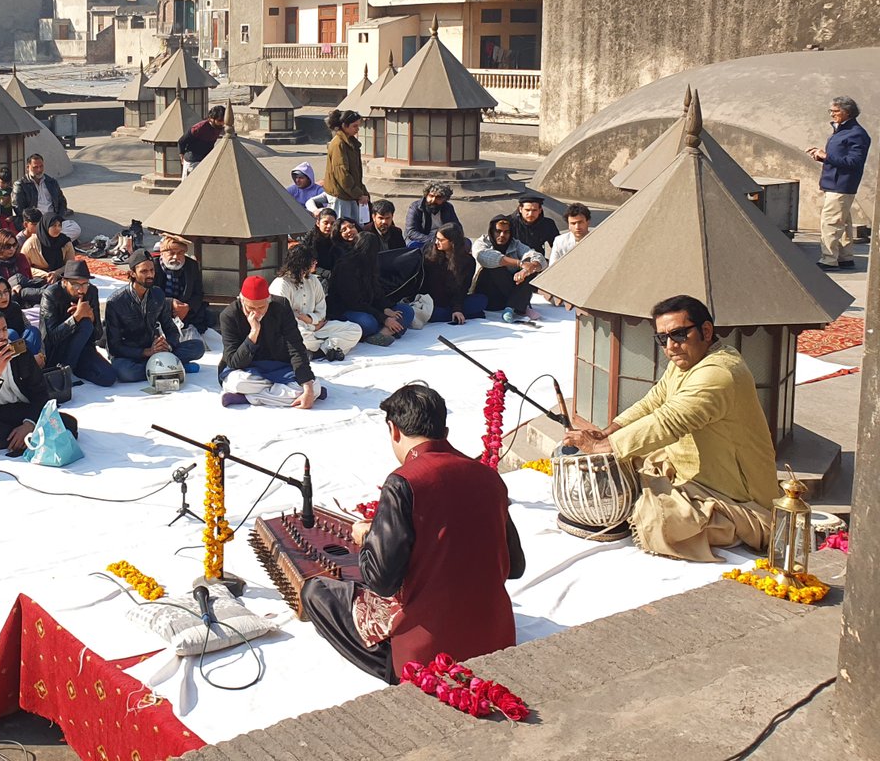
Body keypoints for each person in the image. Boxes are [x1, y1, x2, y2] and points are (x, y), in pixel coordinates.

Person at [301, 384, 525, 683]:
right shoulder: (489, 477)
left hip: (428, 656)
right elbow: (516, 566)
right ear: (444, 430)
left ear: (394, 430)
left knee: (316, 592)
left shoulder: (404, 481)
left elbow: (381, 581)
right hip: (496, 637)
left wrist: (367, 538)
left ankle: (394, 669)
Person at [564, 295, 779, 561]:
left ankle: (732, 527)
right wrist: (609, 432)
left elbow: (668, 421)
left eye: (678, 334)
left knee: (655, 520)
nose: (670, 346)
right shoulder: (687, 360)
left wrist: (600, 446)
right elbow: (654, 401)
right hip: (686, 472)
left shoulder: (719, 373)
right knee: (631, 464)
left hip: (734, 496)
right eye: (662, 338)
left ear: (706, 331)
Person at [0, 306, 79, 458]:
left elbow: (40, 393)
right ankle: (23, 439)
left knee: (70, 424)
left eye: (4, 329)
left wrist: (29, 424)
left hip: (23, 409)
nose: (2, 336)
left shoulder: (20, 351)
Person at [218, 275, 322, 408]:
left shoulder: (281, 306)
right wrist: (254, 333)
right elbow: (234, 362)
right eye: (251, 308)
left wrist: (307, 387)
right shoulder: (229, 315)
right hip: (246, 369)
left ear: (269, 301)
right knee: (236, 383)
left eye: (261, 307)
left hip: (277, 365)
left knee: (313, 387)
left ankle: (248, 398)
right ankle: (286, 393)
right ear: (242, 301)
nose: (256, 313)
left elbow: (295, 346)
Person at [105, 249, 206, 380]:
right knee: (126, 372)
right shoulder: (115, 302)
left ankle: (161, 366)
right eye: (144, 271)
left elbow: (171, 329)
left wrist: (167, 345)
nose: (150, 275)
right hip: (131, 354)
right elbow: (114, 346)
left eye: (152, 270)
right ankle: (169, 367)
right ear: (132, 274)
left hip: (155, 350)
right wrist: (145, 352)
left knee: (198, 347)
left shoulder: (157, 294)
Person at [807, 95, 871, 269]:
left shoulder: (856, 134)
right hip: (835, 183)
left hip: (841, 184)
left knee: (830, 222)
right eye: (831, 111)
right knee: (843, 222)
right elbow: (839, 158)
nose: (832, 114)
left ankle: (828, 259)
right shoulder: (841, 131)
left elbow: (854, 162)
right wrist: (821, 156)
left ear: (847, 112)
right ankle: (845, 257)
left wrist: (826, 156)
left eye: (835, 111)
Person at [269, 243, 362, 360]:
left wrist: (311, 320)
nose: (316, 263)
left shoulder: (313, 280)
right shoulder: (281, 284)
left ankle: (320, 350)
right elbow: (282, 318)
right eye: (313, 261)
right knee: (301, 337)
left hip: (317, 326)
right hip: (297, 329)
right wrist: (306, 322)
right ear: (303, 263)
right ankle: (328, 348)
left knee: (355, 329)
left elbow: (321, 310)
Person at [326, 218, 411, 346]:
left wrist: (385, 308)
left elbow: (376, 291)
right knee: (369, 323)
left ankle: (382, 334)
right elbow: (354, 302)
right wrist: (383, 317)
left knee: (407, 311)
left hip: (370, 307)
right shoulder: (345, 266)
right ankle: (386, 329)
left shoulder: (371, 263)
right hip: (348, 308)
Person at [40, 258, 113, 387]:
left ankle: (74, 368)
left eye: (85, 284)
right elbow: (51, 338)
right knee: (84, 324)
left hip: (82, 347)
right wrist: (76, 318)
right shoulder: (51, 294)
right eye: (76, 285)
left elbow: (97, 335)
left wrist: (92, 318)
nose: (81, 290)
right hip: (57, 351)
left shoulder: (91, 291)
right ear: (64, 282)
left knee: (108, 377)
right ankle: (65, 370)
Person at [473, 215, 545, 323]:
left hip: (507, 293)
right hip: (489, 295)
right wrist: (519, 263)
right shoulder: (482, 242)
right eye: (498, 231)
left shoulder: (515, 244)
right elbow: (485, 257)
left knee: (531, 270)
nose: (502, 235)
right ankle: (521, 306)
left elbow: (537, 257)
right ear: (492, 231)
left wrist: (528, 269)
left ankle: (511, 307)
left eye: (506, 232)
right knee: (495, 266)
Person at [418, 224, 487, 325]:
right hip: (431, 301)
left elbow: (463, 289)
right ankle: (455, 315)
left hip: (453, 300)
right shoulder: (430, 255)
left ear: (452, 242)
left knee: (481, 300)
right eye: (436, 239)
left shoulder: (467, 261)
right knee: (433, 313)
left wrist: (457, 309)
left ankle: (451, 314)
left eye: (441, 240)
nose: (436, 242)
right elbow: (428, 285)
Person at [153, 234, 212, 333]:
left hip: (185, 313)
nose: (176, 257)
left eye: (180, 253)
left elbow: (198, 293)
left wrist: (187, 307)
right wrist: (170, 303)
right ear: (162, 253)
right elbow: (148, 295)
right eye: (171, 253)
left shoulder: (191, 266)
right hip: (158, 311)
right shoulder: (152, 267)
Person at [13, 154, 79, 240]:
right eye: (35, 167)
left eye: (41, 166)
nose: (39, 170)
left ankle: (49, 239)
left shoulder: (51, 182)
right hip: (36, 222)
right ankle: (54, 239)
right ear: (28, 167)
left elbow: (62, 201)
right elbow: (18, 208)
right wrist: (34, 221)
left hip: (52, 220)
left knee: (75, 228)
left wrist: (58, 218)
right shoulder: (20, 185)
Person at [324, 110, 370, 223]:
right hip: (341, 195)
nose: (357, 129)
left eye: (358, 126)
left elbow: (355, 173)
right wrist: (359, 194)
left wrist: (362, 192)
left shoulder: (350, 142)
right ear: (344, 126)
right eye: (354, 126)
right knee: (342, 227)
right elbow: (342, 174)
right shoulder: (338, 144)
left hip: (350, 194)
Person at [0, 229, 41, 304]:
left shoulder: (21, 259)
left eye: (14, 245)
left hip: (23, 302)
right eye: (7, 246)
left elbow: (30, 282)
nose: (12, 249)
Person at [404, 182, 461, 247]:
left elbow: (456, 227)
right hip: (423, 240)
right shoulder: (416, 207)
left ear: (444, 199)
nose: (433, 200)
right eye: (431, 196)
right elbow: (411, 232)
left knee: (466, 243)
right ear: (426, 195)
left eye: (438, 197)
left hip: (443, 240)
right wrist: (434, 240)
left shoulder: (448, 207)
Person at [21, 211, 75, 280]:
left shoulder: (65, 242)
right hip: (39, 278)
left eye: (59, 225)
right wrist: (45, 274)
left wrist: (57, 273)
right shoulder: (31, 244)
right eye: (54, 226)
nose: (57, 229)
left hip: (62, 276)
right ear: (46, 226)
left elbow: (70, 264)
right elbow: (23, 267)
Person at [178, 106, 226, 173]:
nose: (222, 123)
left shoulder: (219, 127)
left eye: (224, 120)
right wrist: (181, 155)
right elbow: (182, 141)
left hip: (205, 160)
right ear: (211, 119)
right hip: (192, 161)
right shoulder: (199, 128)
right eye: (220, 120)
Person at [304, 205, 342, 275]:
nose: (329, 226)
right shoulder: (310, 240)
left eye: (332, 223)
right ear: (318, 223)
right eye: (325, 223)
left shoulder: (336, 238)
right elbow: (308, 265)